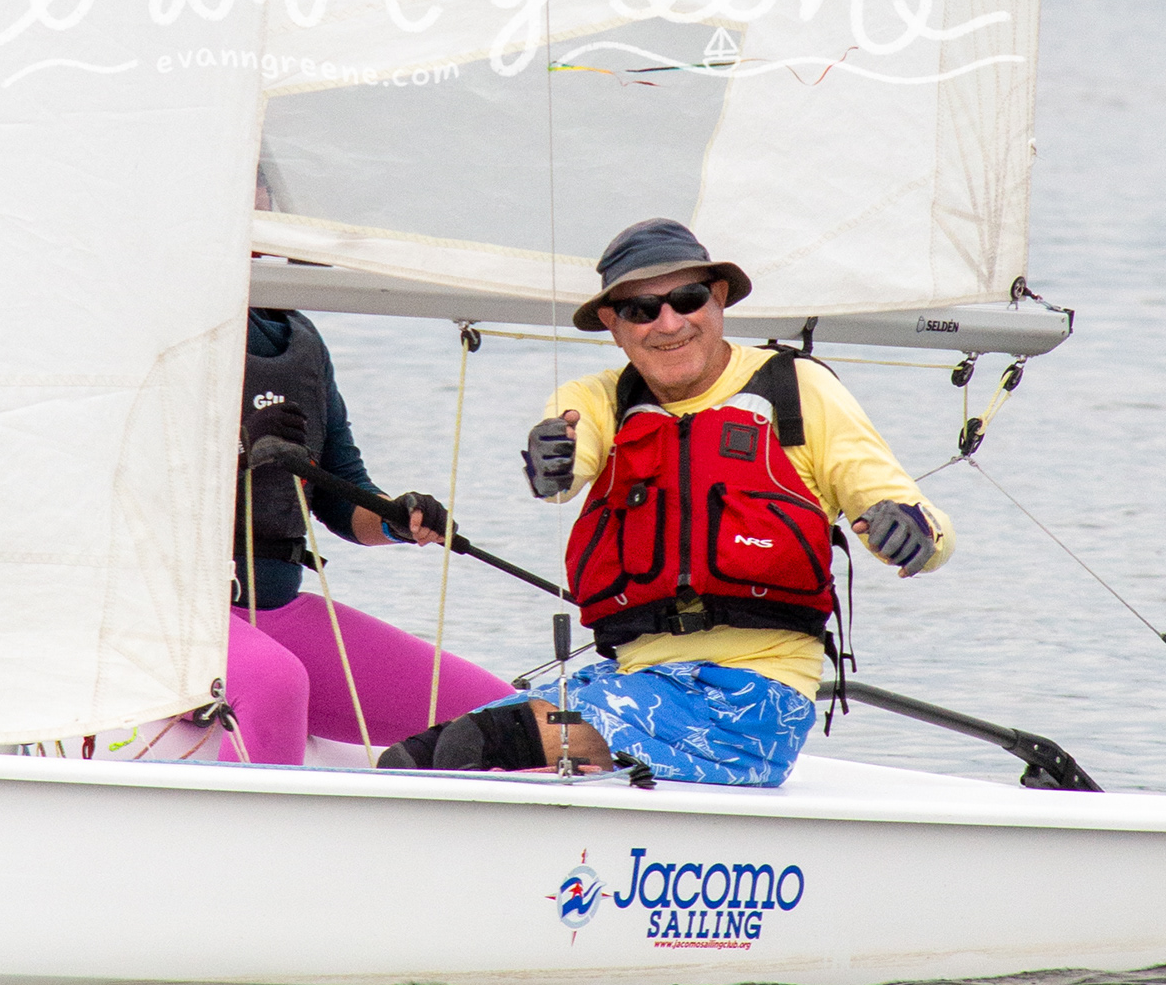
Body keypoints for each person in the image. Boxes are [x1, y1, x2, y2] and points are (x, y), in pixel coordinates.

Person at [378, 218, 951, 788]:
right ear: (613, 324)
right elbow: (566, 467)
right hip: (632, 682)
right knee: (413, 758)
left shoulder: (798, 390)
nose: (669, 324)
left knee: (480, 747)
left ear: (718, 297)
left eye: (688, 298)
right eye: (641, 309)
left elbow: (917, 521)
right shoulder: (597, 399)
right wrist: (552, 458)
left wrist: (916, 535)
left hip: (753, 698)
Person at [195, 308, 509, 765]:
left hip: (273, 607)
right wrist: (238, 448)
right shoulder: (165, 320)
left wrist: (397, 519)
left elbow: (341, 489)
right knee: (276, 682)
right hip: (165, 614)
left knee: (502, 716)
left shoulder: (302, 340)